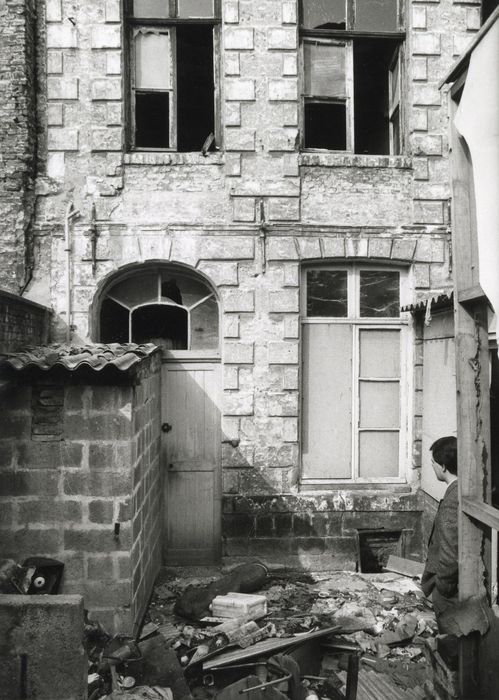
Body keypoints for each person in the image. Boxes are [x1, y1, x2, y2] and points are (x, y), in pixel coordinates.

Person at [421, 435, 459, 632]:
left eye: (433, 463)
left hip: (448, 592)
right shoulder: (458, 491)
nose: (433, 467)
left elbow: (449, 553)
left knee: (450, 641)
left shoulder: (452, 501)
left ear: (443, 466)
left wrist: (441, 591)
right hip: (451, 588)